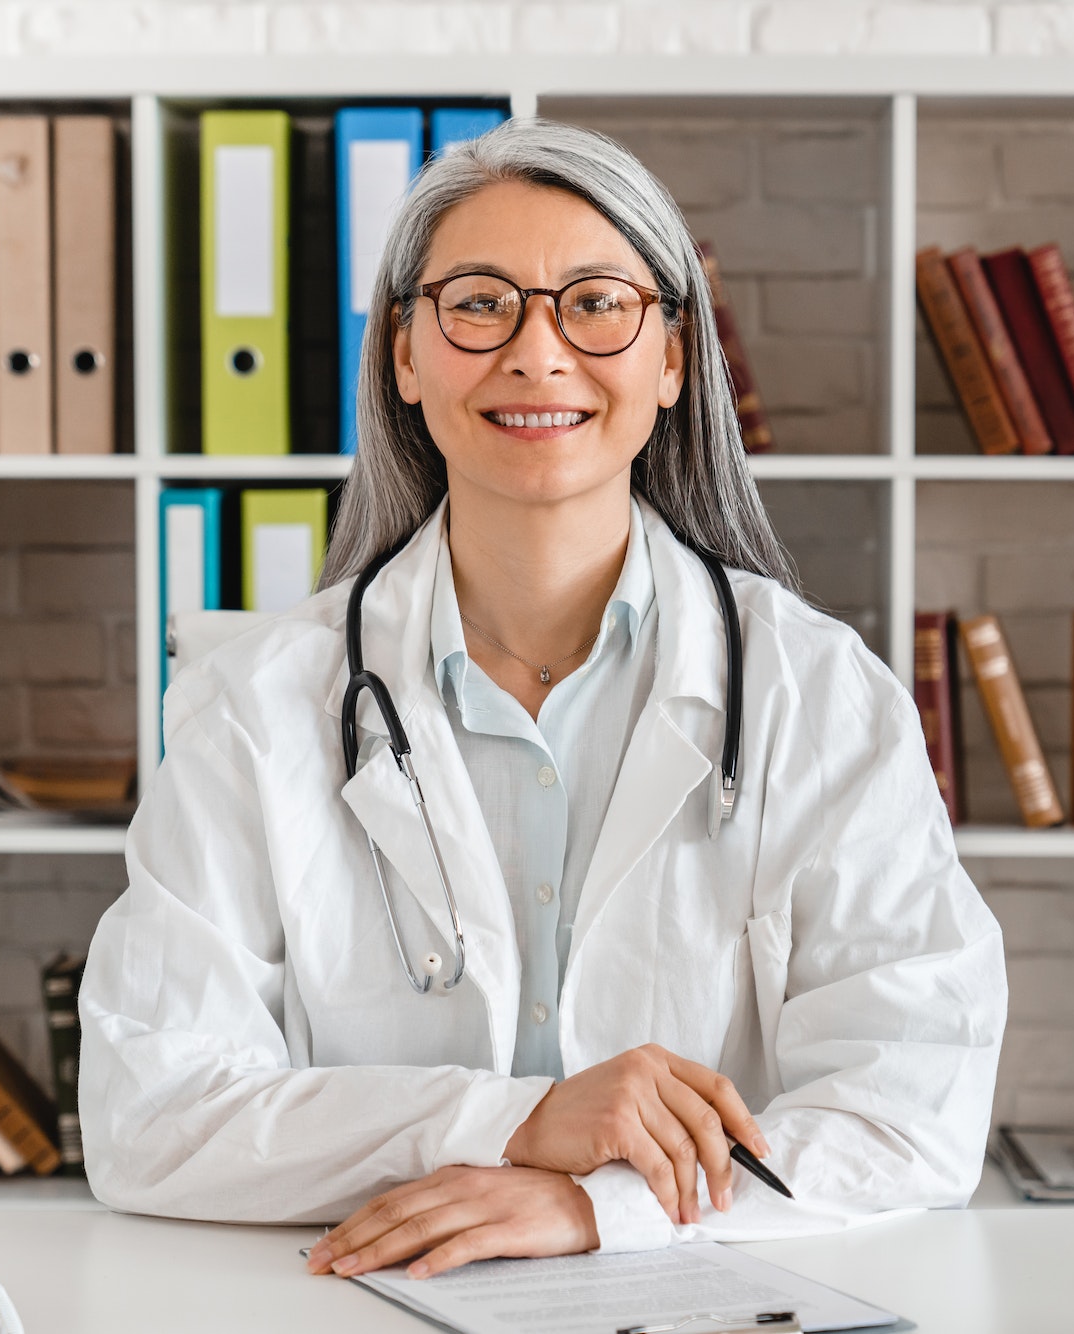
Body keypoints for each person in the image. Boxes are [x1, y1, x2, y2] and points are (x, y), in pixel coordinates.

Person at [79, 117, 1005, 1281]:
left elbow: (911, 1109)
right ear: (404, 355)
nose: (537, 352)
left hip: (713, 1300)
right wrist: (512, 1123)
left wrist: (595, 1205)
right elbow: (147, 1114)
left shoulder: (819, 696)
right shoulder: (256, 707)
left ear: (671, 357)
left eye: (596, 302)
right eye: (477, 303)